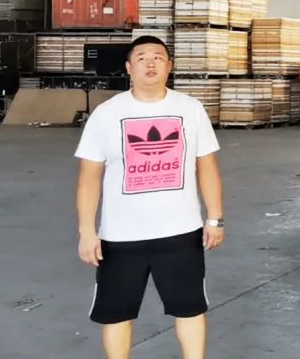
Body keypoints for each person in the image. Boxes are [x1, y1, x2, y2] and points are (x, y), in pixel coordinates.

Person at [75, 35, 225, 359]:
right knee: (116, 314)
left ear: (169, 66)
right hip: (120, 237)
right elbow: (89, 177)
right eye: (141, 57)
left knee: (190, 309)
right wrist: (87, 231)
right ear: (129, 67)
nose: (150, 63)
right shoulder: (107, 113)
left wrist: (214, 217)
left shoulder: (190, 109)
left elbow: (207, 165)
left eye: (158, 57)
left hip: (180, 233)